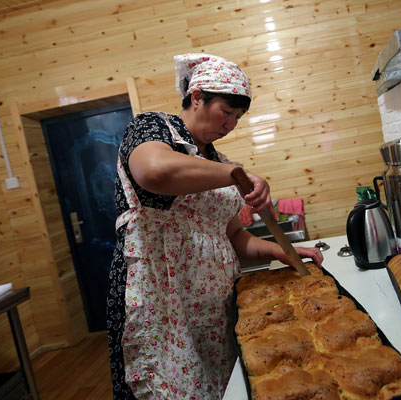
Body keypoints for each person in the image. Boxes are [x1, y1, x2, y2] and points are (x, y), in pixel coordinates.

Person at [106, 53, 324, 400]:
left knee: (217, 388)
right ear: (197, 97)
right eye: (226, 111)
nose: (231, 124)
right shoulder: (154, 128)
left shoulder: (216, 160)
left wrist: (282, 251)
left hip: (210, 307)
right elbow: (154, 172)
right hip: (161, 299)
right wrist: (238, 174)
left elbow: (232, 235)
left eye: (237, 117)